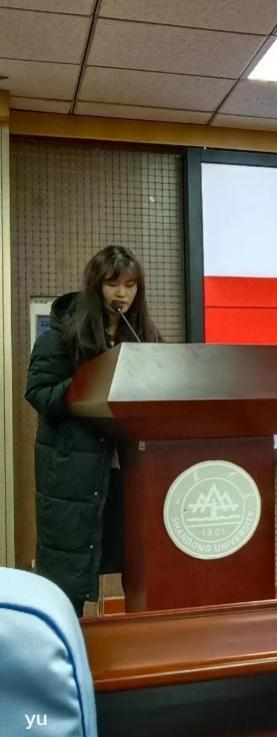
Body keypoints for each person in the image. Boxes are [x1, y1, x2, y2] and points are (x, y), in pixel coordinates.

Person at [25, 245, 162, 617]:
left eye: (131, 285)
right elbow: (39, 391)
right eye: (113, 284)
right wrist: (93, 383)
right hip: (75, 472)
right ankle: (67, 640)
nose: (122, 294)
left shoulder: (142, 334)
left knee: (135, 558)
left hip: (127, 470)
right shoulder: (63, 334)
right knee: (70, 573)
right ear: (96, 286)